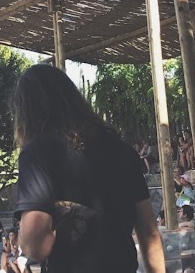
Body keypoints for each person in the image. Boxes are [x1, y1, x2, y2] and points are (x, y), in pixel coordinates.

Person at [11, 64, 164, 273]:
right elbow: (149, 232)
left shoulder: (37, 154)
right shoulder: (123, 150)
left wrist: (22, 238)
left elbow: (36, 246)